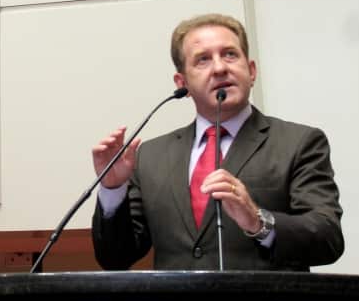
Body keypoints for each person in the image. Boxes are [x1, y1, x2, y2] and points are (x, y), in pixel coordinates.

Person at [91, 14, 343, 271]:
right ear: (182, 83)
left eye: (230, 55)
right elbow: (115, 258)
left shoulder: (298, 143)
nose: (220, 68)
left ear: (251, 70)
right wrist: (113, 190)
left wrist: (258, 221)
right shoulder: (150, 156)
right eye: (203, 59)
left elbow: (328, 238)